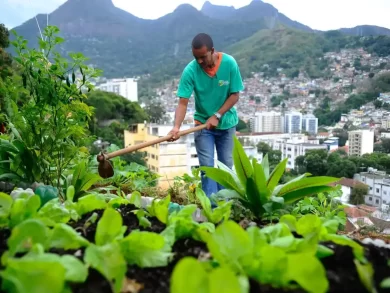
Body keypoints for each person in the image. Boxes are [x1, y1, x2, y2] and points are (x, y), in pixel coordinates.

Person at [168, 33, 244, 199]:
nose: (200, 62)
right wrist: (176, 127)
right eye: (196, 58)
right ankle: (211, 209)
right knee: (207, 169)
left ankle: (225, 206)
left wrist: (217, 115)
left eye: (203, 57)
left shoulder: (229, 64)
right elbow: (183, 102)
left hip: (227, 125)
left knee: (225, 168)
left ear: (212, 51)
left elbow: (235, 95)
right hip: (203, 126)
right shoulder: (190, 70)